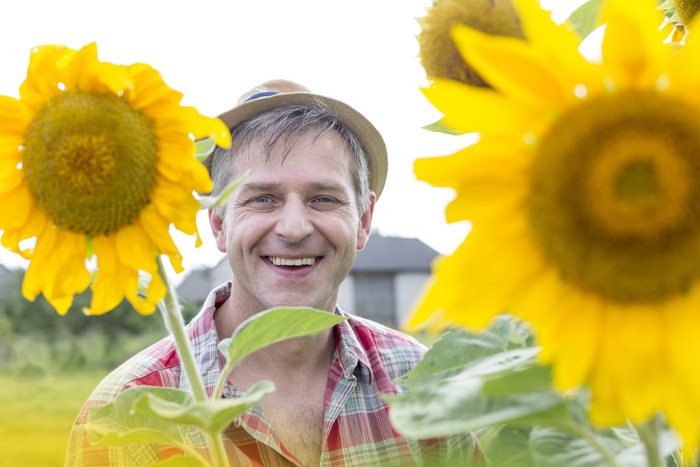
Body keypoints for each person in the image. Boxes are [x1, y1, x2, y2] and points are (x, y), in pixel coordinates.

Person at [66, 80, 482, 466]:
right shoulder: (123, 417)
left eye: (323, 198)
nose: (294, 228)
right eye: (263, 199)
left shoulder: (422, 382)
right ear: (217, 224)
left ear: (363, 219)